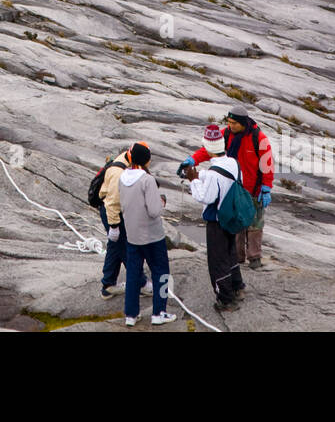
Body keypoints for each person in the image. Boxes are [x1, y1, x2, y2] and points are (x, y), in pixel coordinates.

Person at [179, 110, 274, 269]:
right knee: (236, 219)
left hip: (254, 189)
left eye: (234, 123)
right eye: (229, 122)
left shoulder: (259, 139)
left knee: (255, 223)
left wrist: (266, 187)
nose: (230, 125)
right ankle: (237, 256)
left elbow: (267, 165)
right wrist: (192, 159)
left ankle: (254, 257)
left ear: (243, 123)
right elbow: (208, 150)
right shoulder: (226, 134)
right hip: (234, 186)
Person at [182, 124, 246, 309]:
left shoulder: (213, 174)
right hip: (231, 217)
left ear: (208, 148)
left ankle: (226, 299)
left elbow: (205, 197)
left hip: (216, 220)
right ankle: (238, 286)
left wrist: (193, 180)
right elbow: (223, 179)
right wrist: (201, 175)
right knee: (230, 253)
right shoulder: (233, 162)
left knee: (217, 261)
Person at [118, 142, 175, 326]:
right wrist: (162, 202)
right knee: (162, 273)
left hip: (132, 235)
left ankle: (131, 315)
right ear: (147, 160)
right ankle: (159, 312)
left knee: (133, 275)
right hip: (152, 235)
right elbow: (154, 210)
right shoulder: (147, 180)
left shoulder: (122, 177)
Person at [96, 143, 134, 299]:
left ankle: (108, 284)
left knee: (115, 246)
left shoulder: (126, 160)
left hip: (113, 211)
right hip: (111, 212)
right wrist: (114, 226)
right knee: (125, 247)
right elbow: (112, 203)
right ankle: (141, 283)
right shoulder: (119, 173)